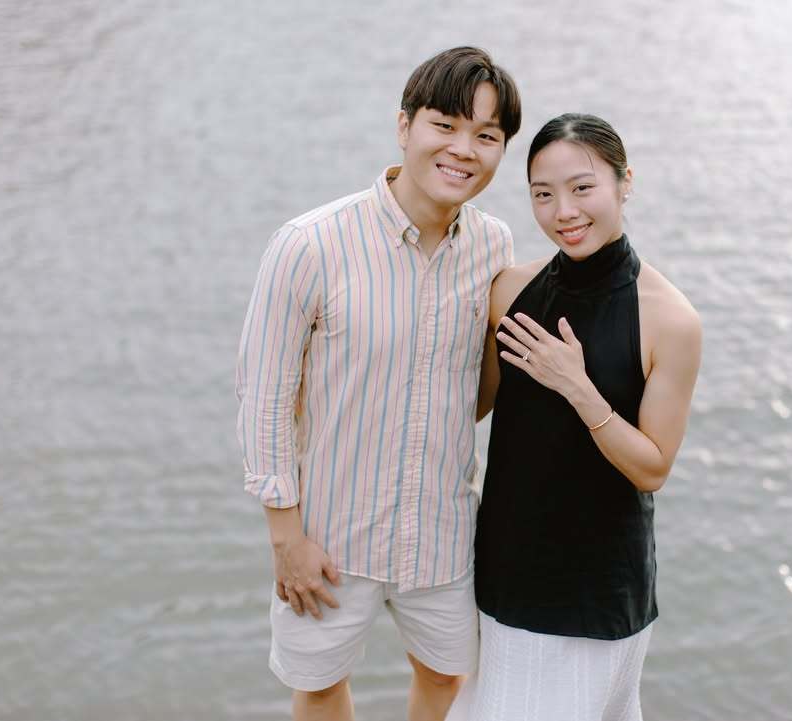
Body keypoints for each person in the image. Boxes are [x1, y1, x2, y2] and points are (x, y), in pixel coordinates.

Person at [235, 47, 521, 721]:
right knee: (320, 685)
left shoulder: (495, 247)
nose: (463, 150)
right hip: (331, 535)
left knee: (447, 677)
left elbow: (475, 392)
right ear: (404, 126)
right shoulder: (309, 243)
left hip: (442, 533)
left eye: (486, 135)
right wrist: (286, 538)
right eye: (444, 125)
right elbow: (264, 397)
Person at [449, 114, 703, 721]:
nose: (563, 211)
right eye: (543, 194)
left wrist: (578, 389)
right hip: (505, 574)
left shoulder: (670, 319)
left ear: (624, 182)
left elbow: (652, 469)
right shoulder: (509, 291)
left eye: (582, 188)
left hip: (597, 592)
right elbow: (466, 407)